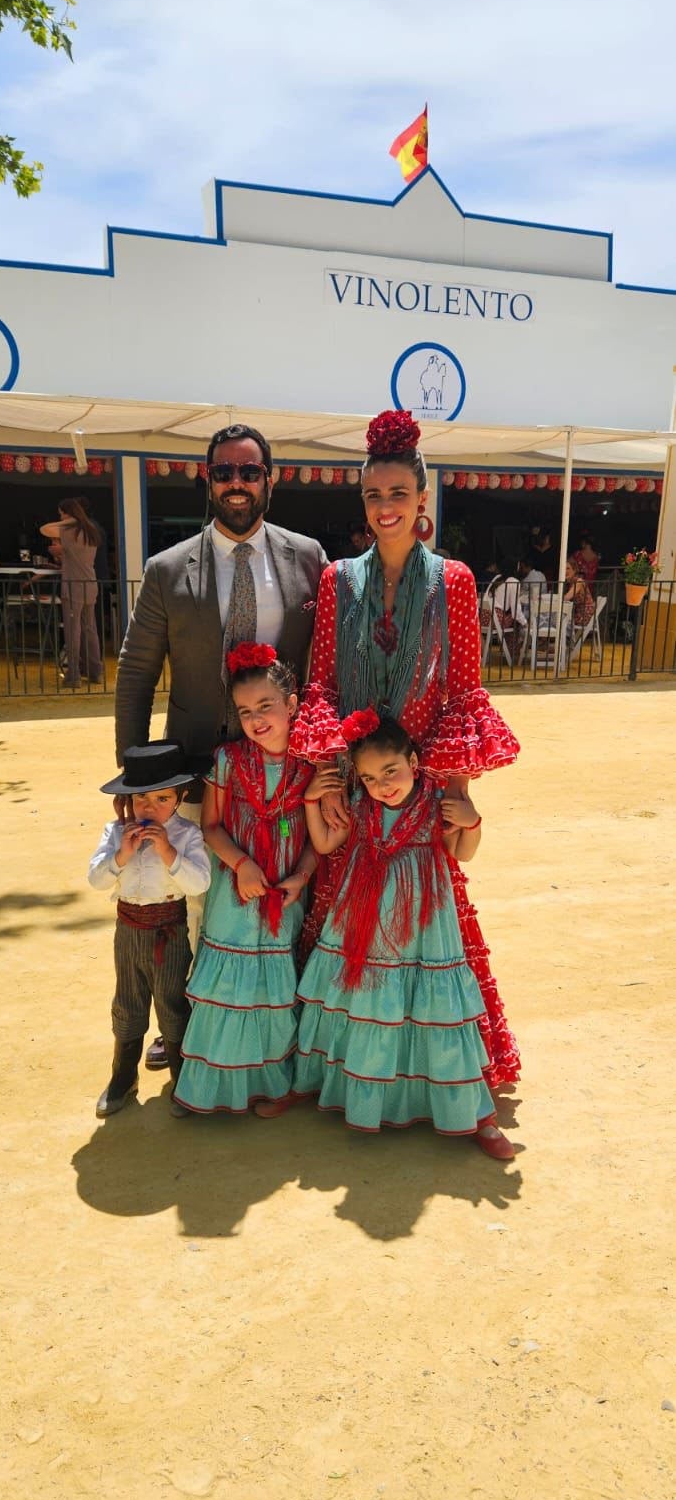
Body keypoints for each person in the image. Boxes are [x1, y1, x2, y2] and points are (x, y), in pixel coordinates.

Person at [306, 408, 521, 1088]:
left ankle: (435, 1079)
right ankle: (347, 1075)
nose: (386, 507)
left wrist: (457, 793)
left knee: (429, 937)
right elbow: (320, 682)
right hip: (354, 785)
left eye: (399, 493)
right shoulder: (337, 579)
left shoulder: (453, 580)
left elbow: (462, 690)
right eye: (373, 495)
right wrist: (325, 778)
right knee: (348, 931)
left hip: (422, 792)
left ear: (422, 499)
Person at [115, 422, 328, 1067]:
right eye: (225, 472)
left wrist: (325, 760)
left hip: (282, 775)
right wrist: (134, 782)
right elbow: (135, 676)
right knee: (199, 900)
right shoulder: (166, 570)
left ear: (271, 479)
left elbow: (321, 669)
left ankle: (280, 1025)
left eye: (249, 471)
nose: (237, 483)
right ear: (208, 480)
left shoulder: (308, 559)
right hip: (197, 771)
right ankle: (188, 1026)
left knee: (283, 895)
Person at [294, 711, 515, 1157]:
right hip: (363, 924)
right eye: (371, 777)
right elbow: (323, 845)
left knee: (436, 1011)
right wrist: (308, 803)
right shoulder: (359, 805)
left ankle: (472, 1113)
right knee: (366, 1006)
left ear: (414, 761)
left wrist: (472, 822)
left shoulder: (437, 804)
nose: (382, 784)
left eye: (390, 771)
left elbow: (462, 854)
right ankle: (337, 1088)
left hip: (424, 927)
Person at [171, 643, 317, 1120]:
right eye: (245, 711)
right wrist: (241, 865)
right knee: (230, 990)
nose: (256, 720)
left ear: (292, 704)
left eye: (266, 707)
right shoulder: (228, 760)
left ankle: (272, 1084)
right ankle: (216, 1085)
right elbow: (210, 826)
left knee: (275, 991)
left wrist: (302, 876)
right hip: (235, 895)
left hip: (285, 895)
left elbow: (324, 837)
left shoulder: (314, 763)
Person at [88, 741, 211, 1117]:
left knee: (172, 1001)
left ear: (180, 797)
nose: (150, 808)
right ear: (127, 800)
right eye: (141, 799)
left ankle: (182, 1078)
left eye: (162, 799)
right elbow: (96, 880)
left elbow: (200, 882)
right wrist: (121, 854)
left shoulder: (187, 835)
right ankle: (123, 1078)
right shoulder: (115, 833)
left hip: (169, 930)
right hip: (128, 930)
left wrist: (169, 853)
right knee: (127, 1001)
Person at [40, 497, 103, 687]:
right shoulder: (91, 531)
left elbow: (45, 529)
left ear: (68, 514)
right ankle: (95, 671)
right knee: (90, 629)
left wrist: (69, 520)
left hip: (73, 586)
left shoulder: (69, 531)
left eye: (61, 514)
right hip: (90, 585)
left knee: (72, 630)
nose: (59, 517)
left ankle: (73, 675)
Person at [564, 557, 595, 629]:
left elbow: (566, 598)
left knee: (557, 619)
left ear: (574, 570)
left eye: (568, 568)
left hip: (584, 616)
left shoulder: (579, 582)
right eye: (564, 568)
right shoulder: (569, 584)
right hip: (576, 614)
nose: (565, 571)